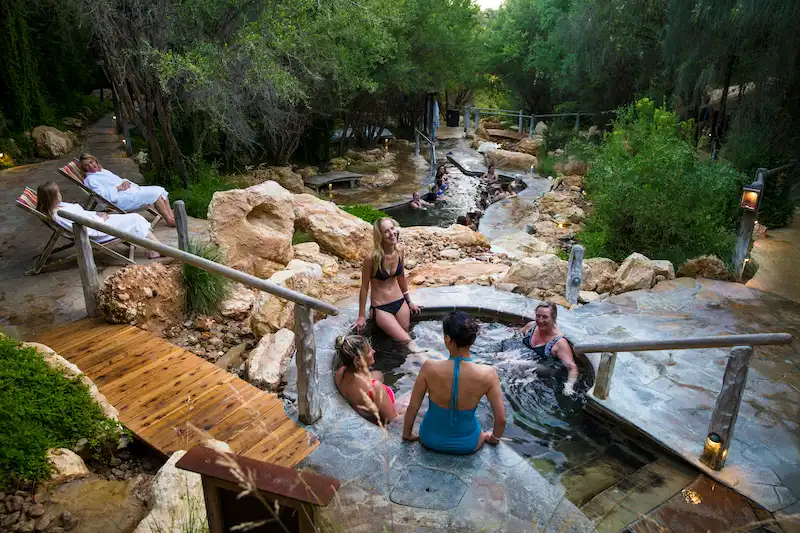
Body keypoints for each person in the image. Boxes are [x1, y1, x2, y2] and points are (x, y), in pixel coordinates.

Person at [403, 311, 506, 454]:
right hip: (468, 444)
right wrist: (494, 438)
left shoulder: (429, 367)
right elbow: (501, 419)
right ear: (472, 339)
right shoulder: (488, 374)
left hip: (429, 439)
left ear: (447, 338)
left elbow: (413, 407)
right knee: (478, 427)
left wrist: (407, 435)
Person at [36, 181, 163, 259]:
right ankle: (158, 249)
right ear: (51, 197)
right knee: (135, 219)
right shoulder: (59, 215)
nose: (60, 194)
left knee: (135, 219)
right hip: (99, 231)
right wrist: (101, 221)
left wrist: (97, 214)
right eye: (57, 193)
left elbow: (82, 214)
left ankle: (154, 249)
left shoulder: (61, 205)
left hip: (97, 221)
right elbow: (83, 229)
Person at [356, 218, 421, 348]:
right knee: (407, 340)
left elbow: (401, 277)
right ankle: (426, 360)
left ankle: (406, 365)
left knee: (405, 338)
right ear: (380, 236)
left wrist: (409, 301)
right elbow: (364, 287)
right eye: (386, 231)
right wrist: (361, 316)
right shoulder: (372, 258)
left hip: (400, 302)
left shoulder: (399, 251)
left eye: (392, 228)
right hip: (381, 308)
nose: (392, 233)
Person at [79, 153, 175, 226]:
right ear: (84, 169)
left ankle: (171, 217)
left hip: (127, 191)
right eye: (87, 165)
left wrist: (124, 181)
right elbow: (100, 195)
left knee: (160, 189)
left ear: (95, 161)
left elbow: (118, 180)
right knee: (156, 194)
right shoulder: (90, 179)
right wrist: (117, 188)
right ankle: (169, 220)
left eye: (91, 162)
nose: (91, 166)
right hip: (120, 200)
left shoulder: (103, 171)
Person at [334, 335, 397, 425]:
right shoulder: (375, 388)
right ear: (358, 360)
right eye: (369, 351)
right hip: (379, 422)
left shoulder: (340, 373)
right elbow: (394, 420)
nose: (373, 351)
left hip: (363, 411)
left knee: (378, 374)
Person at [521, 302, 579, 396]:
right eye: (538, 316)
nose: (540, 320)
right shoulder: (531, 326)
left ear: (553, 318)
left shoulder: (559, 342)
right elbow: (516, 333)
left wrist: (569, 386)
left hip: (546, 370)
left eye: (545, 317)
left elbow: (572, 367)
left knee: (514, 364)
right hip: (526, 363)